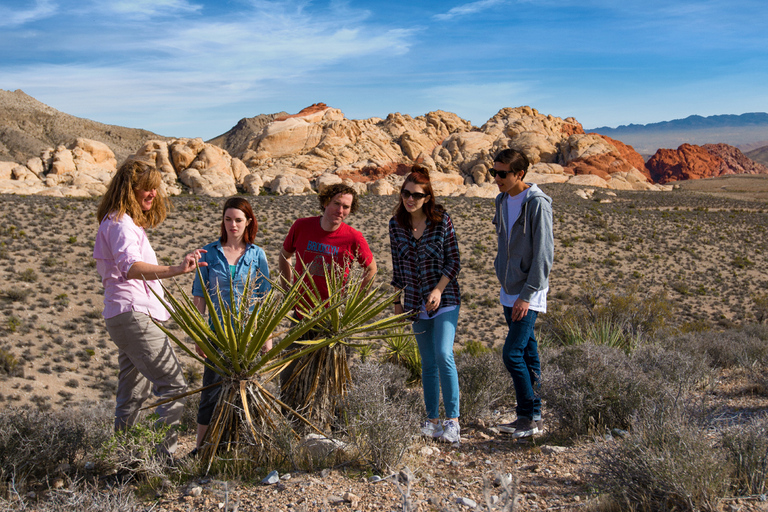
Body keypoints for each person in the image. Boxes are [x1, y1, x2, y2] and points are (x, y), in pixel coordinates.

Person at [93, 159, 207, 455]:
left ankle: (125, 461)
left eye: (155, 189)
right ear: (130, 189)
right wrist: (177, 269)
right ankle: (160, 459)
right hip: (134, 314)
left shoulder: (120, 222)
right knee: (174, 386)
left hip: (123, 314)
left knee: (132, 394)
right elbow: (131, 267)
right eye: (147, 188)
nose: (153, 194)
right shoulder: (119, 223)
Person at [277, 183, 377, 416]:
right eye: (336, 204)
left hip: (332, 321)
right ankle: (288, 420)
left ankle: (328, 422)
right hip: (301, 315)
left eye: (346, 207)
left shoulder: (353, 237)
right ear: (325, 202)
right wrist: (287, 290)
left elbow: (371, 269)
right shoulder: (302, 226)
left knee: (330, 377)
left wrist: (353, 302)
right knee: (290, 372)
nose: (340, 211)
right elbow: (285, 256)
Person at [191, 197, 271, 453]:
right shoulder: (208, 253)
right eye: (228, 219)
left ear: (248, 222)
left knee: (247, 394)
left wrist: (266, 338)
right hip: (216, 336)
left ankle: (246, 449)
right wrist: (198, 335)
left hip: (248, 338)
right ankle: (201, 449)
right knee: (210, 393)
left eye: (238, 220)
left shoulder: (257, 255)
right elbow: (199, 297)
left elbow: (263, 297)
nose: (232, 225)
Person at [389, 165, 462, 444]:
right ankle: (432, 420)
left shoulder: (441, 220)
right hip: (415, 302)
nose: (410, 199)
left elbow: (454, 260)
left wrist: (438, 290)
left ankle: (452, 421)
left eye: (417, 195)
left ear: (427, 197)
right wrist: (397, 304)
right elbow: (398, 268)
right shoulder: (396, 224)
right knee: (428, 362)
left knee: (444, 354)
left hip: (445, 298)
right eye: (406, 193)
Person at [490, 149, 554, 439]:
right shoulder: (502, 200)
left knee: (512, 353)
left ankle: (526, 416)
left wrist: (527, 295)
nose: (497, 179)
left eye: (502, 174)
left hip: (529, 291)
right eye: (495, 172)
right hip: (509, 288)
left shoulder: (537, 204)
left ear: (520, 174)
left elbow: (544, 253)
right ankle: (535, 416)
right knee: (528, 351)